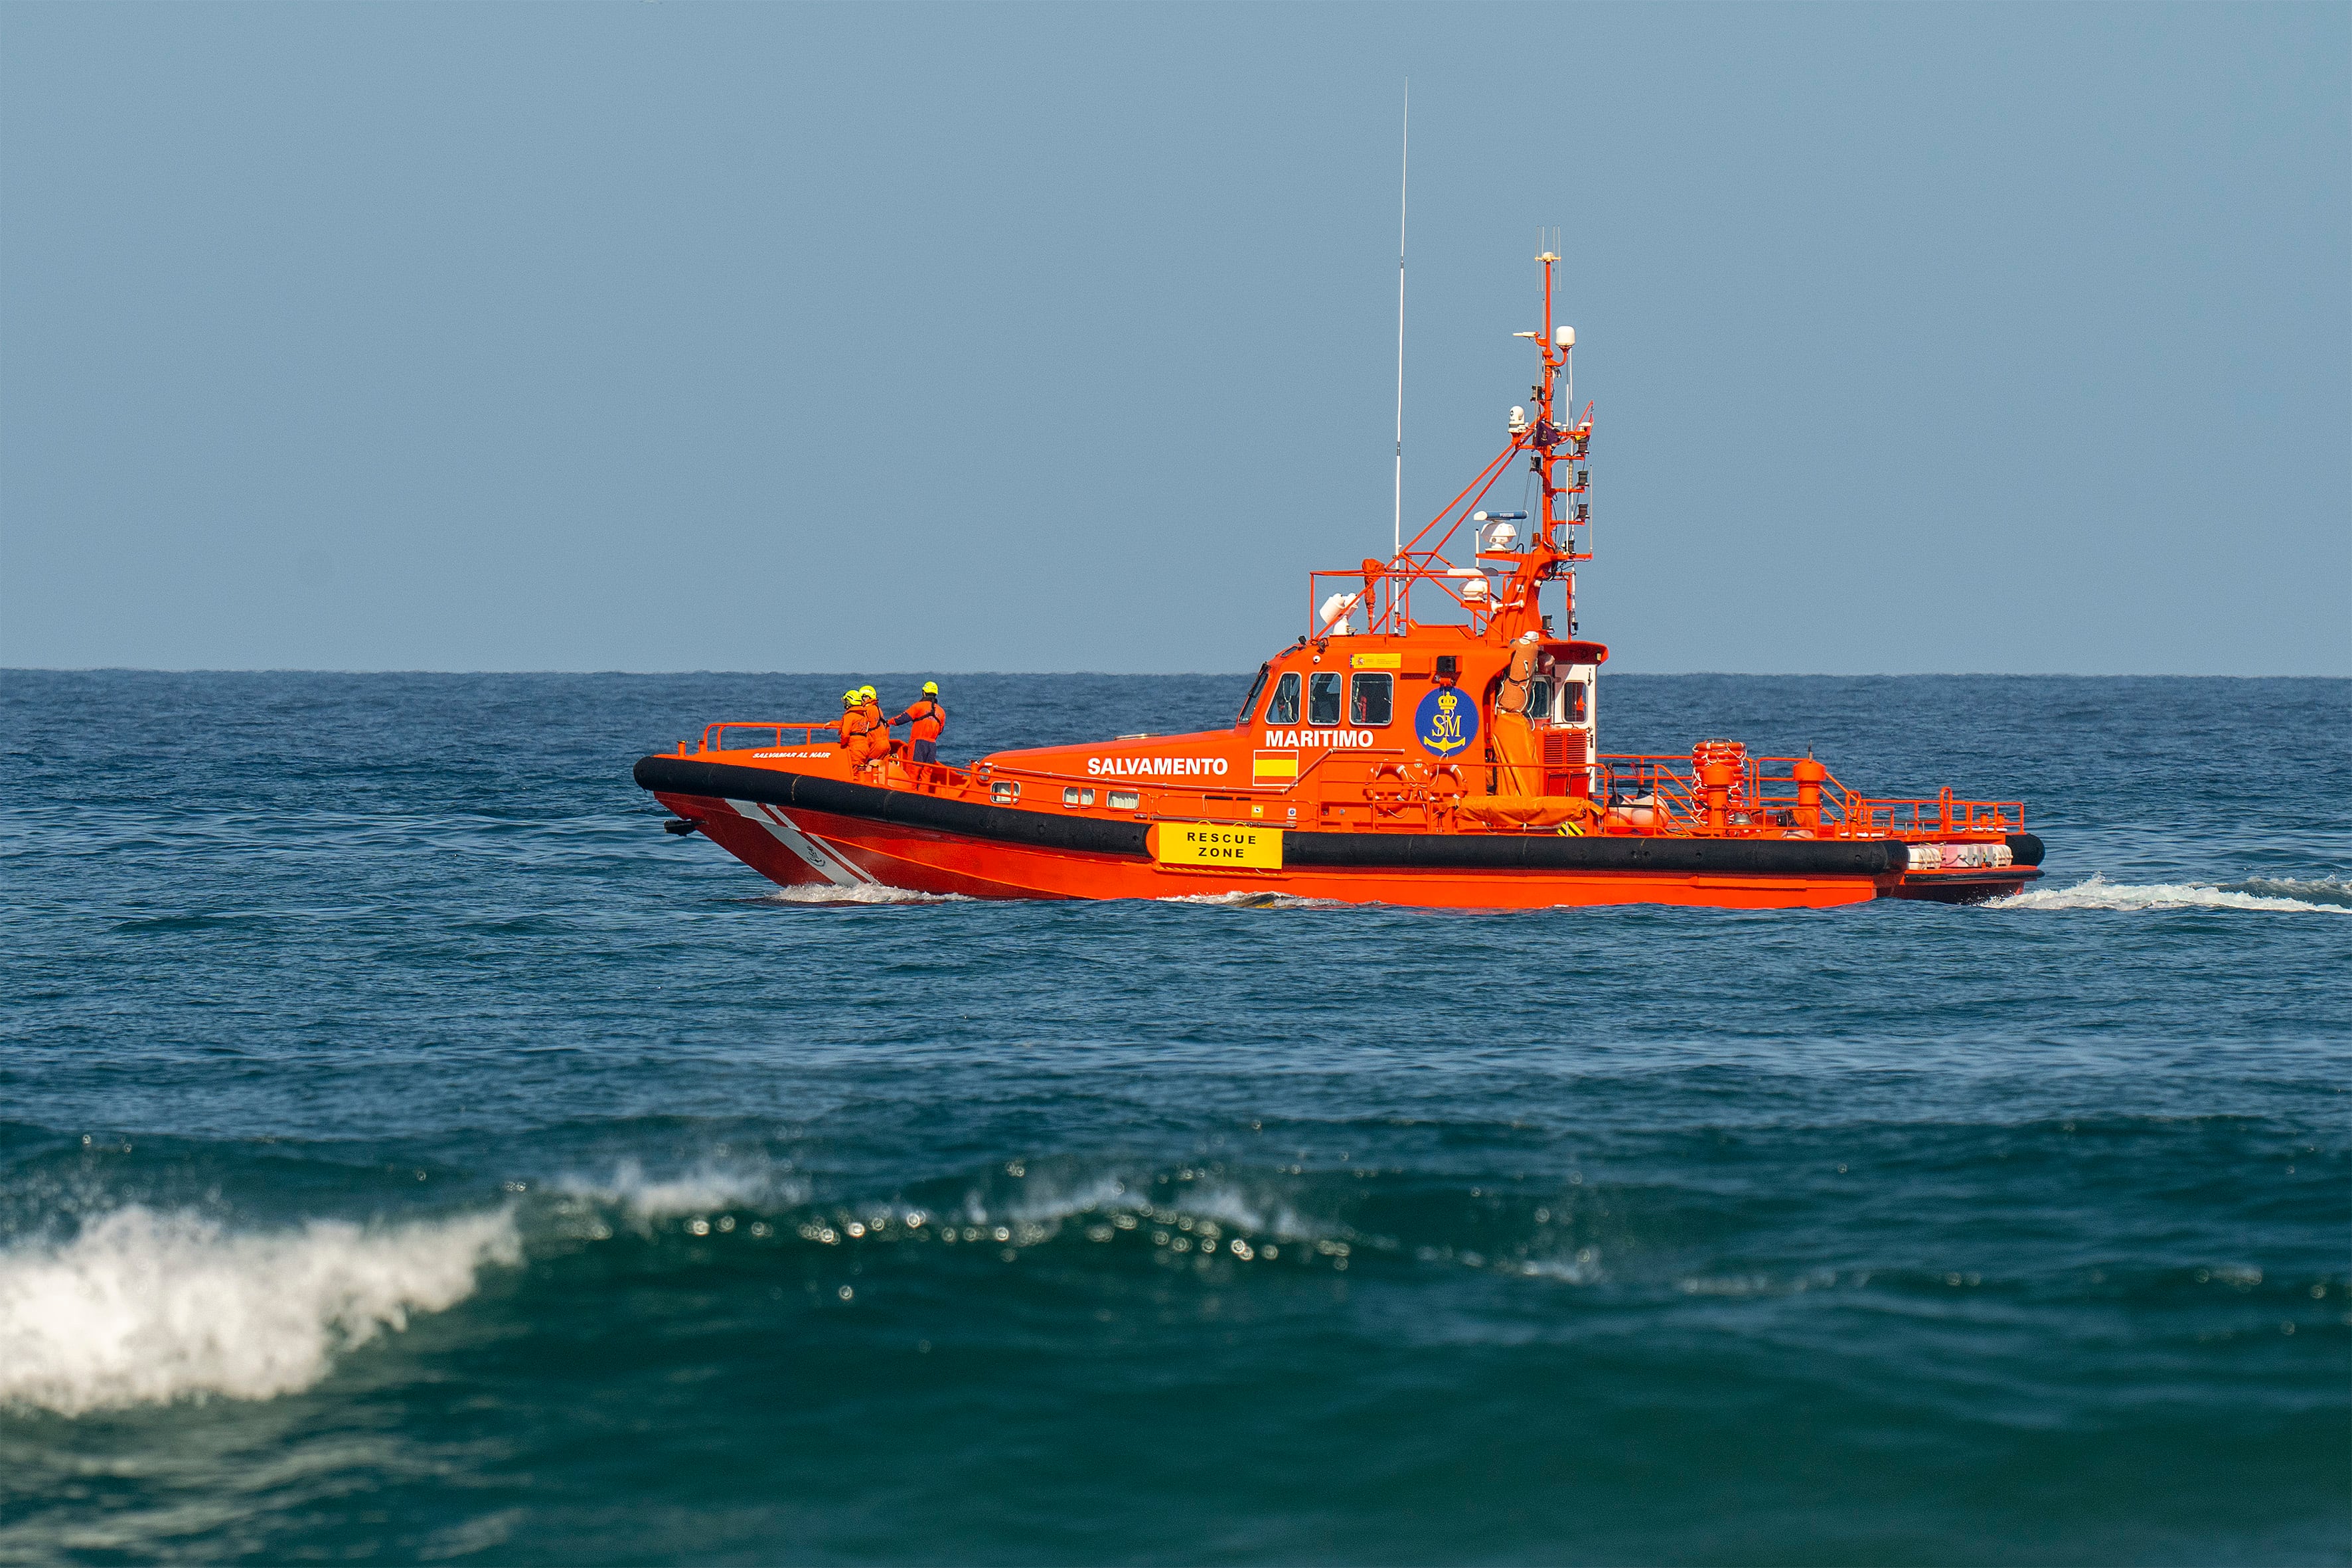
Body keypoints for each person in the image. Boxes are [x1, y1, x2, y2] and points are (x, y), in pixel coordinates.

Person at [892, 681, 947, 766]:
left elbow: (901, 719)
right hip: (932, 745)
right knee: (927, 771)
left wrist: (888, 722)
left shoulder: (918, 706)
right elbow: (940, 731)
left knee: (913, 769)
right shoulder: (941, 711)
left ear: (924, 693)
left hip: (918, 744)